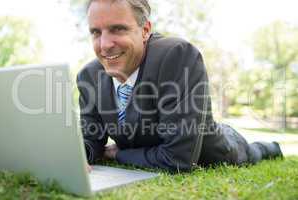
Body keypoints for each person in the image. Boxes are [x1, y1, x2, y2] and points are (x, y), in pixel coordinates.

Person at [77, 0, 283, 172]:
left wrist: (119, 154)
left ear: (145, 30)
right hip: (156, 144)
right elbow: (91, 139)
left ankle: (270, 147)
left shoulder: (177, 56)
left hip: (216, 150)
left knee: (255, 152)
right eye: (96, 32)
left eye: (118, 29)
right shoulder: (89, 76)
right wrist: (80, 156)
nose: (104, 45)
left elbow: (178, 158)